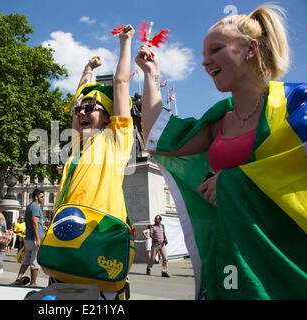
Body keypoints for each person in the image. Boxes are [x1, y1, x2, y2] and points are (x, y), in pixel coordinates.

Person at [137, 4, 306, 299]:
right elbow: (156, 137)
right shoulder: (219, 118)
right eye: (203, 56)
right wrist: (151, 74)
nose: (205, 62)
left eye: (215, 50)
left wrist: (232, 179)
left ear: (250, 48)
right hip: (228, 257)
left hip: (286, 258)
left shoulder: (296, 103)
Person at [44, 25, 135, 300]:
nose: (82, 112)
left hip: (100, 242)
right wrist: (87, 69)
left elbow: (120, 84)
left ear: (108, 116)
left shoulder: (116, 138)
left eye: (91, 108)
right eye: (79, 110)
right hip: (65, 247)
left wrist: (124, 43)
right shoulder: (76, 143)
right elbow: (79, 96)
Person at [14, 189, 44, 287]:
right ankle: (33, 283)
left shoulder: (30, 206)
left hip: (28, 238)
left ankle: (18, 279)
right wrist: (38, 239)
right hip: (34, 239)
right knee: (35, 262)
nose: (43, 199)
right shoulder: (35, 207)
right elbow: (35, 224)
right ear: (36, 197)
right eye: (42, 197)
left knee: (26, 260)